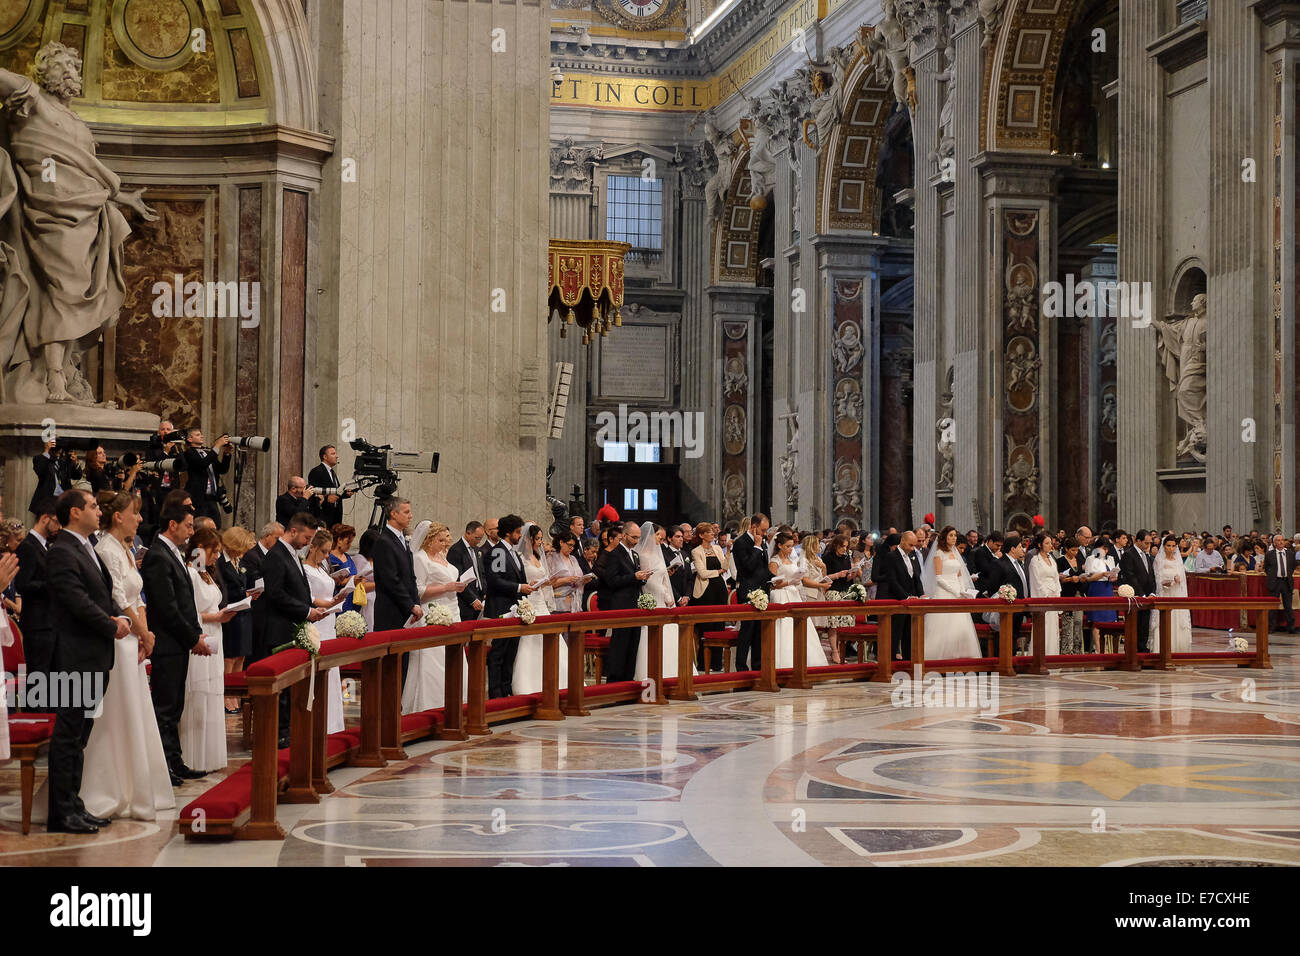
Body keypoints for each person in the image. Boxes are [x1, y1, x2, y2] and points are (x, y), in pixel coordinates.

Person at [78, 491, 174, 817]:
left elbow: (139, 596)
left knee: (136, 711)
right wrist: (142, 632)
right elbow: (118, 598)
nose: (140, 518)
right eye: (135, 512)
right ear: (118, 516)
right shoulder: (106, 549)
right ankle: (109, 786)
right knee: (117, 714)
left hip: (134, 639)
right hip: (118, 640)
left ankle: (138, 785)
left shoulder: (127, 549)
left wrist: (146, 635)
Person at [44, 490, 132, 833]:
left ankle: (74, 803)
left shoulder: (85, 547)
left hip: (92, 656)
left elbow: (99, 593)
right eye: (93, 506)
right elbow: (75, 601)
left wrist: (113, 615)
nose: (100, 511)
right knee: (68, 735)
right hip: (72, 656)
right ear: (76, 512)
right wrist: (110, 623)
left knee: (80, 734)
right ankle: (60, 812)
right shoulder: (62, 551)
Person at [141, 505, 214, 783]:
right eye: (188, 525)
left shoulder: (173, 553)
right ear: (172, 524)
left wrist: (195, 633)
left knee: (175, 706)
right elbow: (167, 606)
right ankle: (164, 766)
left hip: (178, 642)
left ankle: (175, 760)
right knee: (165, 706)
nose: (191, 531)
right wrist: (192, 637)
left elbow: (186, 602)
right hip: (167, 642)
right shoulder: (158, 555)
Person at [181, 527, 234, 772]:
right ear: (200, 549)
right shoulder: (190, 573)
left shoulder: (206, 574)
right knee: (199, 692)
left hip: (216, 634)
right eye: (214, 552)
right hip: (201, 633)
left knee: (213, 690)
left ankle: (210, 757)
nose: (216, 557)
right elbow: (190, 613)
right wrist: (216, 616)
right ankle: (192, 758)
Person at [403, 521, 470, 711]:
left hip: (452, 611)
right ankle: (430, 705)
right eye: (440, 540)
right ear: (429, 539)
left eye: (445, 539)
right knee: (433, 662)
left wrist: (458, 586)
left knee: (454, 662)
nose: (445, 544)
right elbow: (418, 591)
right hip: (432, 613)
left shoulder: (443, 556)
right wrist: (446, 587)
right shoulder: (420, 559)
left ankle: (456, 704)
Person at [513, 522, 568, 695]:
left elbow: (543, 578)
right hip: (529, 601)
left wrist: (547, 582)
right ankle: (529, 683)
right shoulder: (519, 557)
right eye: (536, 539)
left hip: (541, 603)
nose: (539, 542)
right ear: (527, 539)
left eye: (540, 539)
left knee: (550, 640)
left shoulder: (538, 556)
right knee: (530, 642)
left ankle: (559, 680)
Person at [483, 514, 535, 696]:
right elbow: (495, 581)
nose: (520, 535)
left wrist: (527, 585)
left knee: (510, 652)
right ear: (508, 533)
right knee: (499, 653)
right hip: (502, 608)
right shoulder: (498, 552)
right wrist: (520, 587)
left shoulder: (512, 552)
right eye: (518, 532)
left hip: (514, 608)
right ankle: (496, 693)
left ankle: (506, 689)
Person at [15, 496, 59, 704]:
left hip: (49, 622)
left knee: (49, 681)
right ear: (44, 518)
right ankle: (35, 721)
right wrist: (52, 585)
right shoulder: (28, 546)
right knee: (38, 680)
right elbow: (23, 584)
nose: (59, 527)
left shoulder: (44, 546)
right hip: (37, 624)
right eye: (57, 521)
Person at [302, 528, 347, 733]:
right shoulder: (305, 570)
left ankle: (333, 723)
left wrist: (337, 598)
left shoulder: (321, 568)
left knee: (332, 669)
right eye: (324, 551)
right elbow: (310, 597)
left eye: (329, 552)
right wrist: (332, 603)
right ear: (312, 547)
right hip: (317, 620)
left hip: (329, 621)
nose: (327, 556)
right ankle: (318, 722)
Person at [767, 531, 829, 668]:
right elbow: (773, 584)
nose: (791, 549)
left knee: (801, 627)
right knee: (784, 628)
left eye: (791, 546)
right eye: (788, 546)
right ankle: (783, 662)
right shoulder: (774, 562)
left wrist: (797, 579)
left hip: (794, 594)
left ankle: (806, 661)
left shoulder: (791, 560)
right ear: (780, 546)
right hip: (781, 595)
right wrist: (790, 581)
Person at [372, 497, 421, 664]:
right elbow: (391, 579)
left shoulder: (402, 539)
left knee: (405, 663)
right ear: (393, 514)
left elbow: (410, 576)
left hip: (406, 611)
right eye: (406, 512)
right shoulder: (383, 541)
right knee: (392, 664)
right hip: (390, 611)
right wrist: (410, 604)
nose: (410, 516)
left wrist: (416, 603)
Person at [919, 525, 980, 659]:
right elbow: (939, 578)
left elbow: (959, 575)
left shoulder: (955, 553)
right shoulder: (938, 554)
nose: (953, 538)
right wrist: (954, 591)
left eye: (955, 535)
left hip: (957, 592)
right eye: (951, 535)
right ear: (944, 537)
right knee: (943, 626)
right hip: (944, 591)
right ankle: (937, 657)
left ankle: (959, 656)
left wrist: (962, 590)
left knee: (960, 625)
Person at [602, 521, 651, 681]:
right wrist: (633, 577)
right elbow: (611, 580)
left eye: (639, 538)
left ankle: (628, 680)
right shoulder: (615, 554)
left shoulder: (634, 554)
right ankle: (615, 681)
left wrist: (642, 578)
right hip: (621, 605)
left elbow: (634, 578)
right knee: (620, 645)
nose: (637, 541)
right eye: (634, 537)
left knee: (633, 644)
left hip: (634, 603)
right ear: (624, 535)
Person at [217, 526, 256, 712]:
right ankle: (226, 695)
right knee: (230, 657)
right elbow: (223, 589)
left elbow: (243, 582)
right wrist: (242, 593)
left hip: (244, 613)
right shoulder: (220, 562)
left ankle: (236, 695)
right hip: (231, 613)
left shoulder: (237, 560)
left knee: (241, 655)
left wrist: (250, 592)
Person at [731, 512, 771, 670]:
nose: (765, 533)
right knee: (747, 632)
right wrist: (756, 546)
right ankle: (741, 667)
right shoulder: (741, 542)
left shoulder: (762, 541)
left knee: (759, 633)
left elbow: (762, 567)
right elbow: (747, 567)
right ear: (754, 527)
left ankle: (757, 666)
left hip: (762, 589)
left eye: (766, 530)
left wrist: (774, 578)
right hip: (748, 590)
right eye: (763, 530)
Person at [689, 522, 730, 670]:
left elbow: (725, 567)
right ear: (701, 535)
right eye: (710, 532)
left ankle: (717, 663)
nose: (713, 534)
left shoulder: (718, 548)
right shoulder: (696, 551)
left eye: (713, 532)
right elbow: (702, 573)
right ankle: (703, 663)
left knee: (719, 625)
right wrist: (718, 572)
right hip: (705, 591)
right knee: (706, 626)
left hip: (720, 589)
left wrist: (729, 552)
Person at [987, 533, 1032, 654]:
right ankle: (1004, 663)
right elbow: (993, 587)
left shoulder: (1018, 564)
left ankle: (1012, 662)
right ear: (1012, 549)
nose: (1022, 549)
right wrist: (1005, 596)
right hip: (1007, 609)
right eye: (1019, 547)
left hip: (1019, 607)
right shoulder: (1000, 564)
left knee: (1014, 636)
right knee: (1006, 637)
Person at [181, 429, 233, 525]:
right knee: (201, 526)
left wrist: (226, 453)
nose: (202, 436)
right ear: (189, 439)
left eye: (201, 434)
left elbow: (222, 469)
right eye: (197, 435)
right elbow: (202, 463)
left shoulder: (207, 452)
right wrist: (217, 446)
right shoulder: (188, 453)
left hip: (212, 498)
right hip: (199, 498)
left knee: (216, 525)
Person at [1151, 535, 1192, 652]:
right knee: (1165, 620)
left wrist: (1179, 580)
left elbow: (1183, 581)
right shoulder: (1159, 561)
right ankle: (1163, 648)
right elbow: (1157, 581)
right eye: (1168, 546)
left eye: (1174, 546)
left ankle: (1178, 648)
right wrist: (1169, 582)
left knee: (1177, 619)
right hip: (1164, 594)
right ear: (1164, 546)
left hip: (1176, 594)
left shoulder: (1178, 561)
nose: (1171, 548)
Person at [1119, 529, 1157, 652]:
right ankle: (1134, 650)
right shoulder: (1129, 554)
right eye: (1146, 543)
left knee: (1145, 624)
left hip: (1147, 596)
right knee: (1136, 624)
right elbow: (1130, 576)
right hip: (1136, 596)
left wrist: (1152, 592)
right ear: (1138, 541)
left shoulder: (1148, 555)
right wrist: (1142, 594)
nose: (1148, 546)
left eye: (1150, 543)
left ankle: (1142, 648)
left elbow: (1151, 575)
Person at [1082, 536, 1119, 652]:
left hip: (1108, 589)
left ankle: (1110, 650)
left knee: (1109, 620)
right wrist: (1102, 574)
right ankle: (1098, 649)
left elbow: (1112, 575)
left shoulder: (1111, 559)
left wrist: (1113, 577)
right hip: (1096, 589)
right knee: (1097, 621)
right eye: (1102, 548)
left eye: (1106, 549)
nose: (1104, 551)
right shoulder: (1090, 559)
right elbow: (1088, 577)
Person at [1027, 531, 1061, 656]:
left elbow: (1056, 578)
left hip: (1053, 598)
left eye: (1051, 543)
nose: (1050, 546)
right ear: (1040, 545)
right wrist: (1045, 596)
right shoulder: (1035, 561)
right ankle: (1039, 656)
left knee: (1053, 629)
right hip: (1043, 598)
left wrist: (1057, 595)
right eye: (1047, 543)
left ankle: (1052, 656)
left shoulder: (1052, 559)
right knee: (1043, 627)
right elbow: (1036, 581)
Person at [447, 520, 487, 621]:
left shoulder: (477, 550)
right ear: (468, 533)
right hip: (465, 601)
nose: (479, 541)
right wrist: (472, 599)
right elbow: (458, 578)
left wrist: (485, 592)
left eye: (481, 539)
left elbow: (481, 574)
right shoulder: (456, 550)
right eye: (477, 538)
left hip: (480, 597)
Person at [30, 440, 82, 515]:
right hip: (47, 500)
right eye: (55, 449)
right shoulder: (40, 459)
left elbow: (77, 476)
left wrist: (75, 462)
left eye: (59, 449)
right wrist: (47, 451)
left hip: (63, 500)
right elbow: (40, 470)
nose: (58, 451)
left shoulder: (64, 462)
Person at [307, 444, 353, 529]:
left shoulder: (332, 472)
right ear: (325, 456)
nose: (337, 456)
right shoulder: (316, 471)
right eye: (333, 454)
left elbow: (335, 492)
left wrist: (345, 494)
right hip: (324, 517)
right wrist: (326, 499)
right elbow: (312, 493)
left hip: (335, 516)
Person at [1056, 536, 1087, 654]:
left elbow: (1083, 573)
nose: (1075, 552)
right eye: (1073, 550)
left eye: (1077, 550)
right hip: (1067, 594)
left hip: (1079, 593)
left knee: (1078, 622)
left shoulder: (1079, 560)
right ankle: (1066, 650)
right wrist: (1070, 579)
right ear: (1066, 549)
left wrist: (1083, 577)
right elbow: (1059, 578)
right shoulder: (1060, 561)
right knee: (1068, 622)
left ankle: (1077, 649)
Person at [1264, 534, 1297, 634]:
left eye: (1282, 540)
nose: (1281, 542)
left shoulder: (1290, 553)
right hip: (1275, 582)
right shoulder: (1269, 554)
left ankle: (1291, 627)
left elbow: (1292, 566)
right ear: (1274, 543)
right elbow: (1267, 567)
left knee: (1288, 605)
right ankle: (1271, 627)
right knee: (1273, 606)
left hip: (1286, 581)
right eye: (1278, 540)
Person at [547, 530, 586, 614]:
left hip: (575, 601)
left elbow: (578, 578)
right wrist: (566, 580)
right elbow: (547, 583)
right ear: (561, 542)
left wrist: (583, 581)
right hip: (559, 602)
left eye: (573, 546)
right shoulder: (551, 557)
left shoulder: (573, 559)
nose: (571, 548)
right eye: (569, 545)